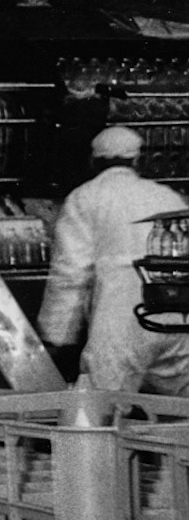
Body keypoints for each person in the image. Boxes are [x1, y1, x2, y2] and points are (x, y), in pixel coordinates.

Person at [38, 125, 189, 395]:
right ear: (136, 160)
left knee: (99, 412)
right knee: (179, 415)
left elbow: (71, 273)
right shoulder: (169, 197)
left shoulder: (85, 197)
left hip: (121, 320)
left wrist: (56, 334)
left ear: (93, 162)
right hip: (177, 318)